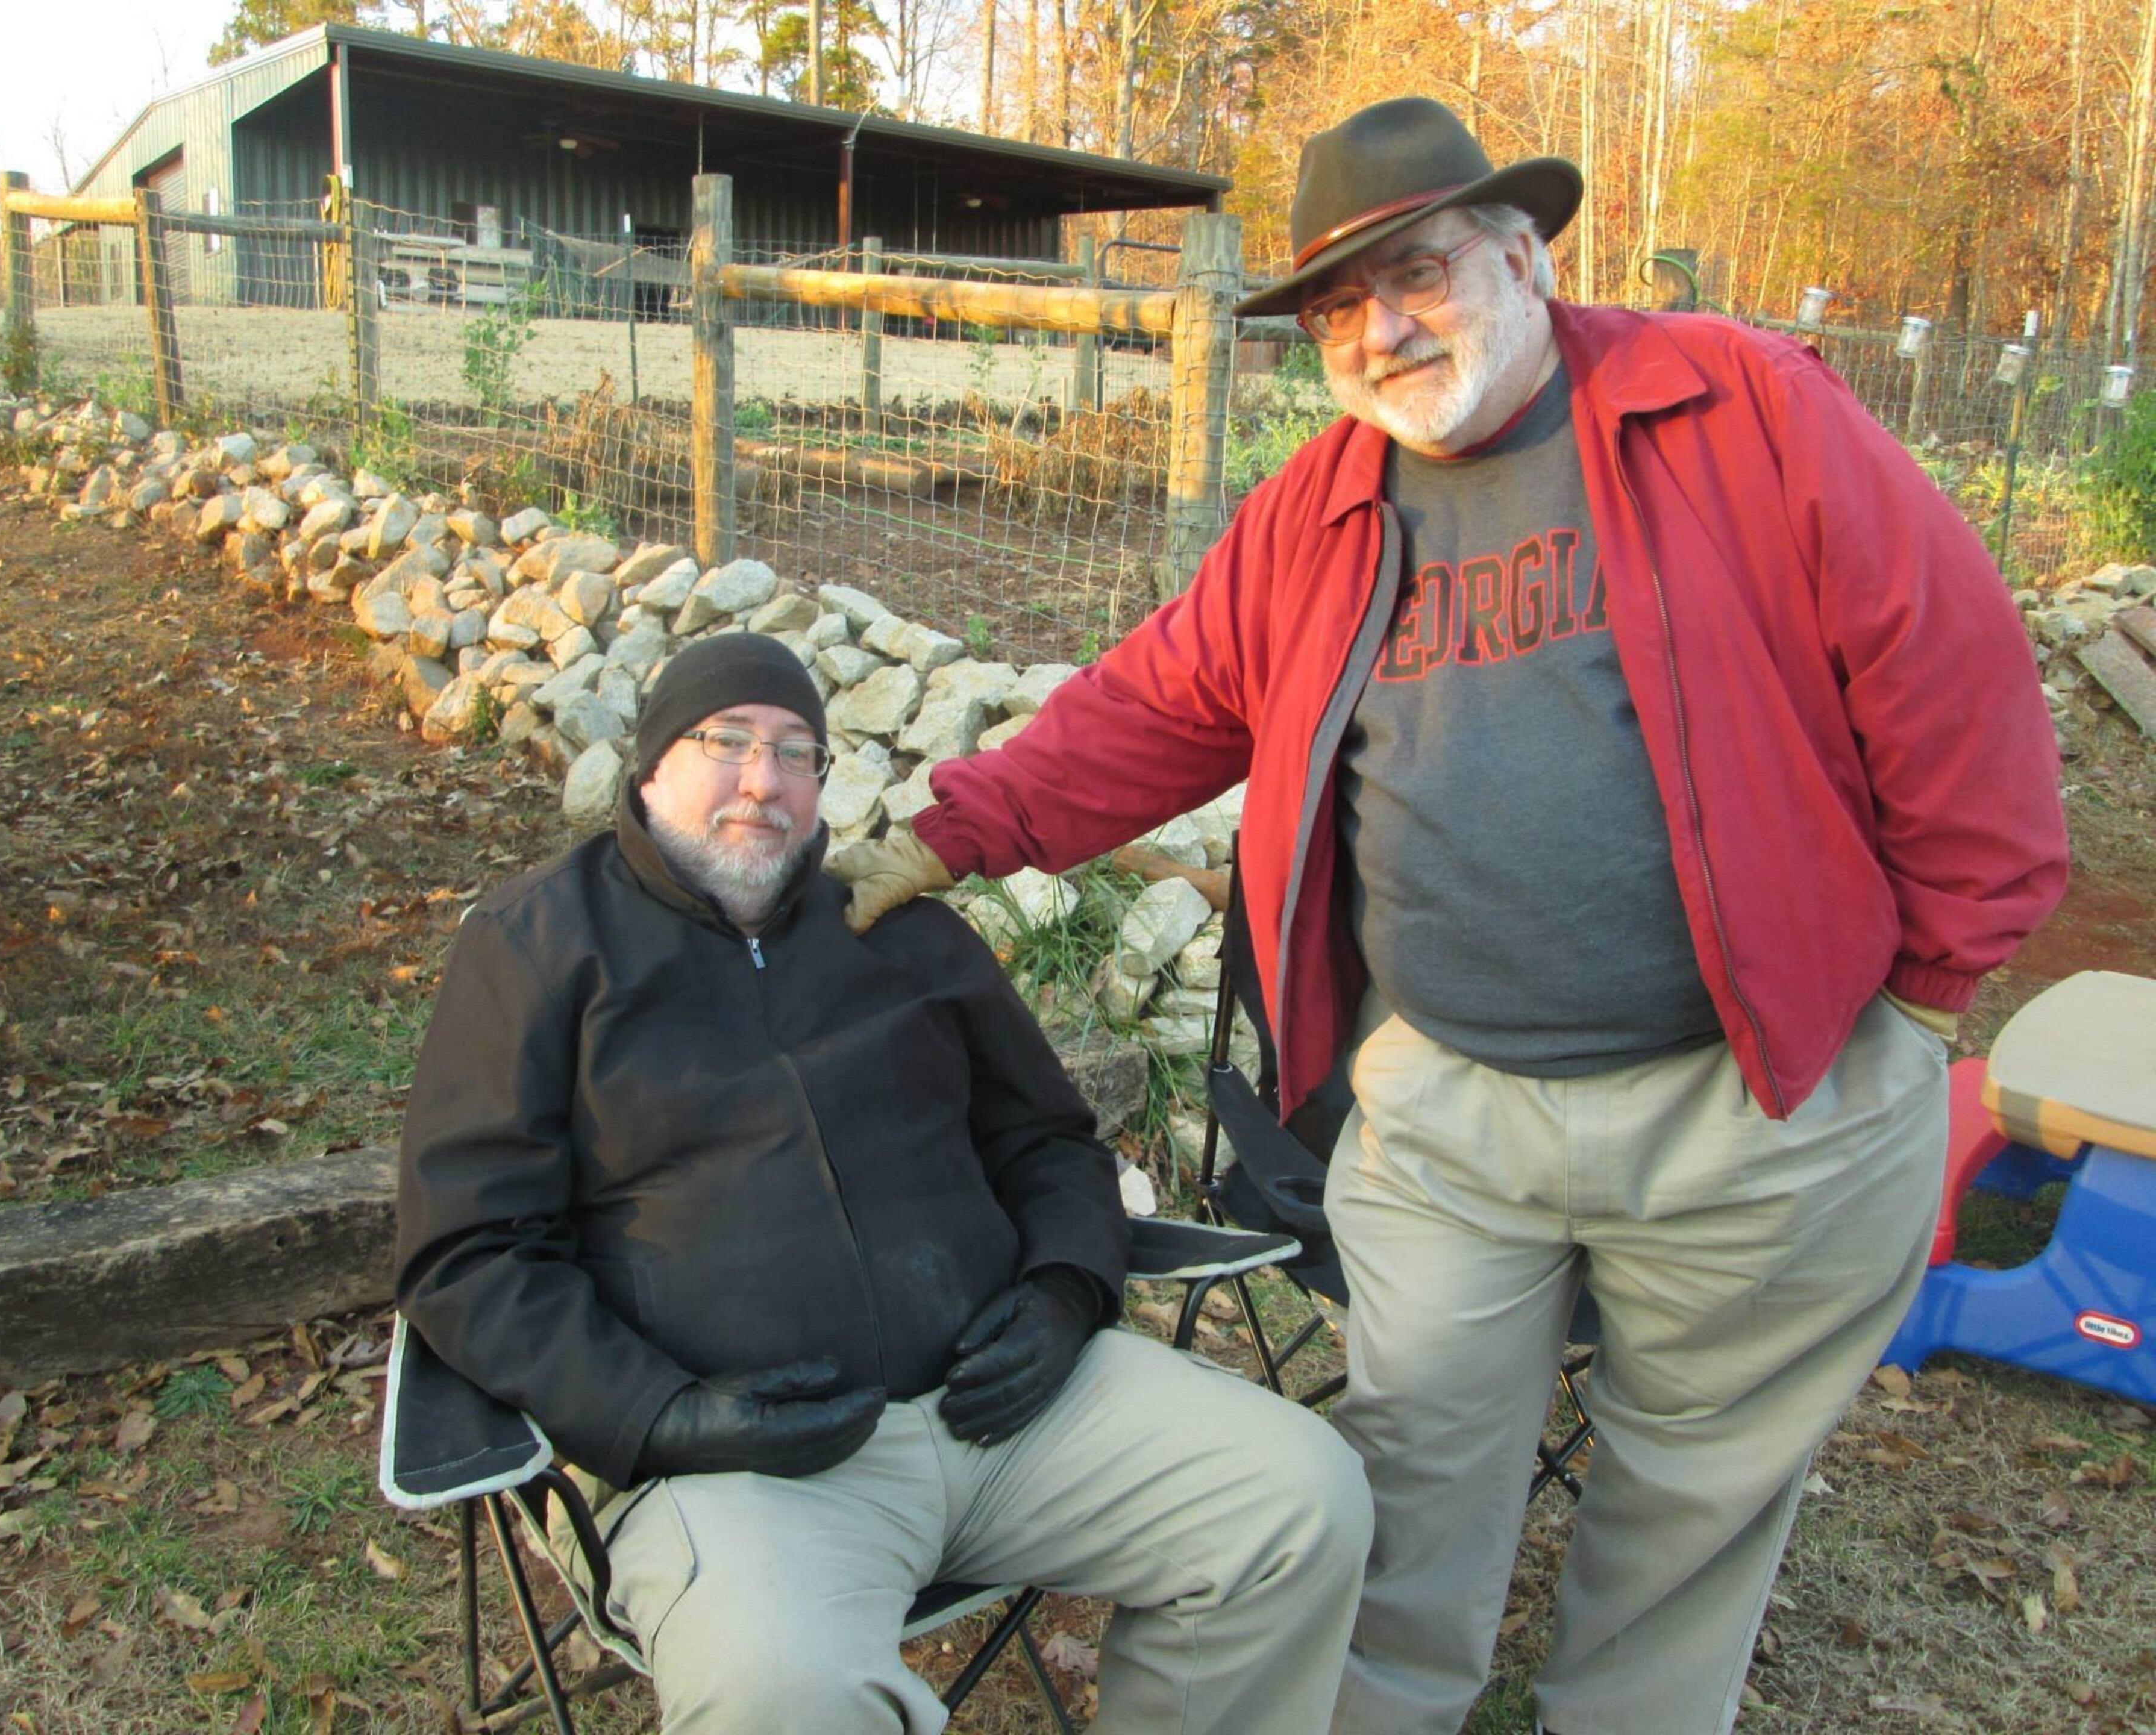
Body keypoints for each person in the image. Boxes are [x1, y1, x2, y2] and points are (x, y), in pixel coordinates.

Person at [830, 98, 2069, 1735]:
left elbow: (1952, 682)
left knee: (1690, 1502)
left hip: (1757, 1092)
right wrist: (952, 830)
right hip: (1446, 1108)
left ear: (1518, 251)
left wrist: (1924, 999)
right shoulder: (1321, 508)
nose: (1381, 330)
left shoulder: (1740, 407)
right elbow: (1153, 707)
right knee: (1410, 1471)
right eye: (1338, 308)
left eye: (1413, 272)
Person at [395, 631, 1371, 1735]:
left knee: (1303, 1501)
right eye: (728, 743)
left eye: (798, 752)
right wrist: (663, 1417)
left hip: (1012, 1416)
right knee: (780, 1689)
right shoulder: (538, 950)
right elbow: (468, 1253)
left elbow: (1050, 1142)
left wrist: (1064, 1293)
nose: (763, 780)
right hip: (739, 1469)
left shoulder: (901, 932)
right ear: (652, 764)